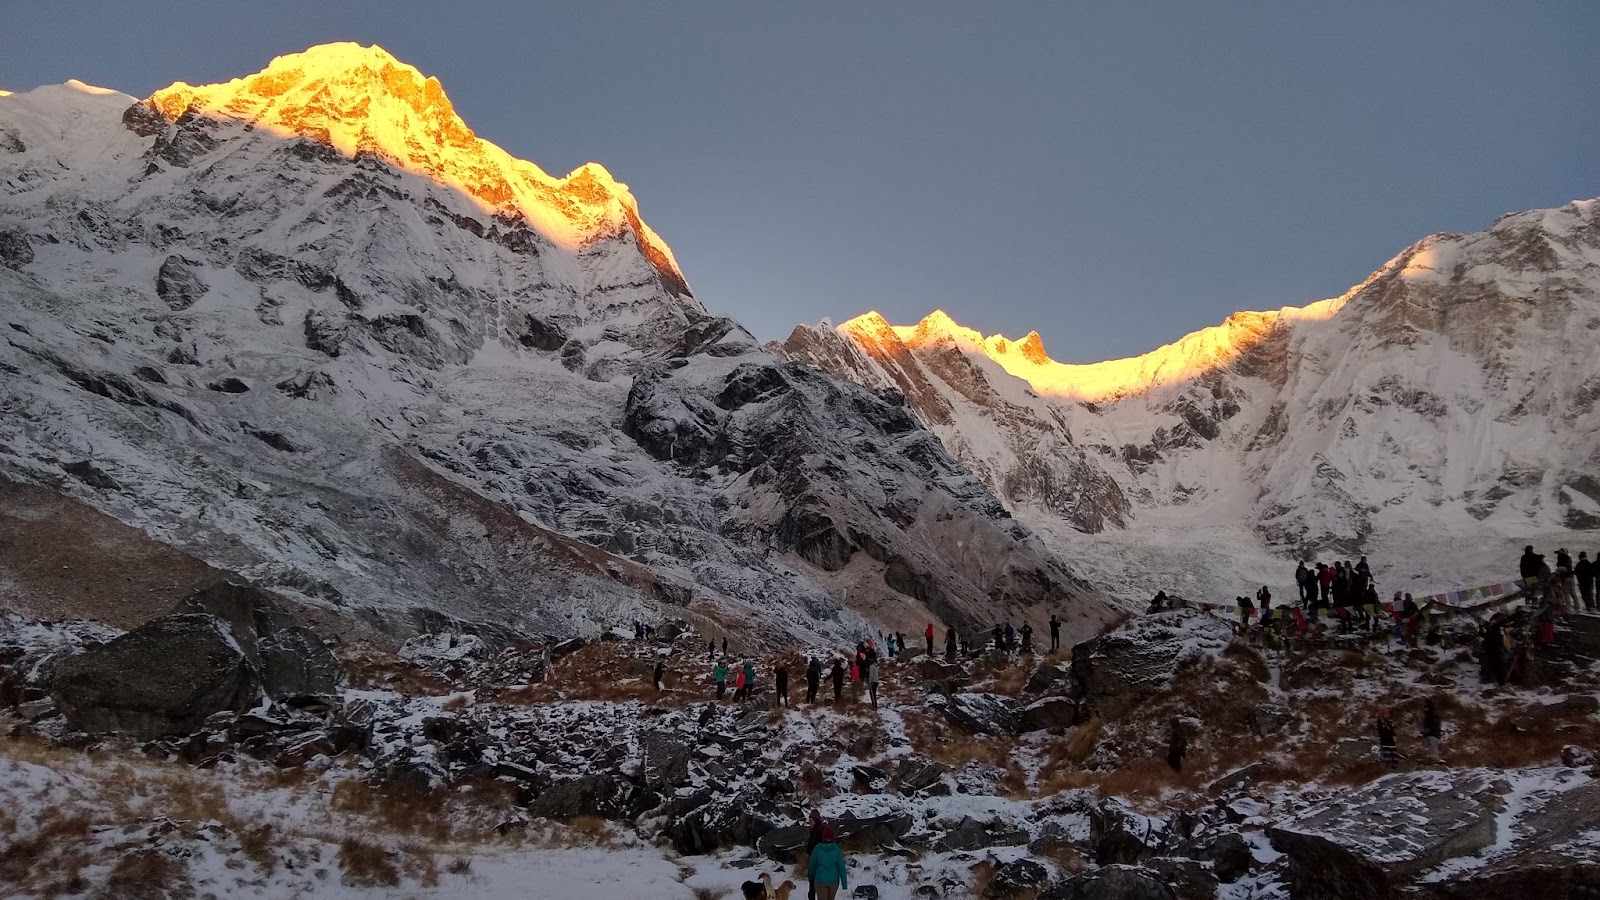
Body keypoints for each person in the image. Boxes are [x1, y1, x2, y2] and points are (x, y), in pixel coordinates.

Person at [806, 825, 849, 900]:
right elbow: (841, 868)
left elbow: (812, 864)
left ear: (823, 836)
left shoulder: (817, 848)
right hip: (833, 882)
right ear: (832, 837)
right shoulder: (837, 850)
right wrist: (844, 884)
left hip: (820, 880)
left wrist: (811, 877)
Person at [804, 809, 825, 900]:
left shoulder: (818, 830)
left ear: (815, 820)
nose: (809, 822)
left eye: (811, 820)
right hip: (816, 861)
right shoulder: (814, 830)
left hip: (817, 862)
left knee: (814, 887)